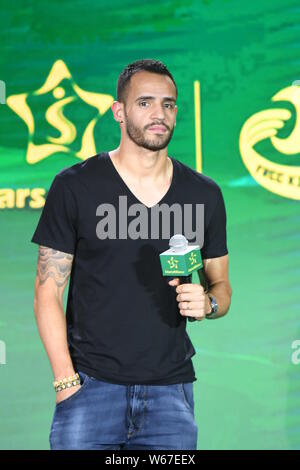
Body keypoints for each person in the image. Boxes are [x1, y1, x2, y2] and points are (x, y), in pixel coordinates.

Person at [31, 58, 232, 450]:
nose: (160, 113)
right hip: (89, 390)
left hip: (171, 395)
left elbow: (221, 286)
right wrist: (66, 381)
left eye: (169, 104)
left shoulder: (204, 194)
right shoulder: (75, 186)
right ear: (119, 112)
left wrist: (208, 303)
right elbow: (47, 293)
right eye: (145, 103)